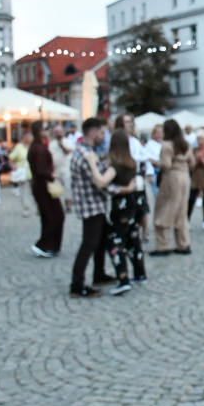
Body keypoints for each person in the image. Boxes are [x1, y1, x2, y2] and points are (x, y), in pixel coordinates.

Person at [69, 117, 134, 298]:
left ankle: (99, 274)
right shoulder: (86, 155)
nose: (104, 137)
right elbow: (100, 183)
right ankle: (77, 284)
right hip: (91, 206)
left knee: (101, 240)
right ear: (93, 132)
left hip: (94, 205)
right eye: (102, 133)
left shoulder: (86, 151)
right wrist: (124, 189)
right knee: (89, 244)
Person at [82, 129, 147, 295]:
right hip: (135, 206)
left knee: (115, 241)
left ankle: (123, 278)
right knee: (133, 239)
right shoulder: (132, 162)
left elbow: (101, 182)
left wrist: (91, 164)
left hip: (122, 208)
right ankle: (140, 273)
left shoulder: (116, 166)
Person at [152, 119, 194, 255]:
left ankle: (163, 245)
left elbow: (166, 165)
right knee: (181, 211)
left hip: (172, 178)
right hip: (185, 177)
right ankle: (184, 243)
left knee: (164, 208)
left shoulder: (166, 146)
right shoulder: (186, 144)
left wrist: (155, 163)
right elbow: (192, 163)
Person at [114, 113, 155, 241]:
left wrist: (149, 171)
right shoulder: (118, 141)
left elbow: (145, 156)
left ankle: (143, 232)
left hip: (136, 177)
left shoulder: (134, 141)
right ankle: (126, 232)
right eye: (127, 122)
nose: (130, 124)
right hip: (123, 177)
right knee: (125, 207)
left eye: (131, 121)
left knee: (141, 207)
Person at [27, 121, 65, 258]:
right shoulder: (39, 148)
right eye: (46, 128)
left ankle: (49, 245)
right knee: (55, 215)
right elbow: (41, 169)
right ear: (39, 131)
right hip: (44, 185)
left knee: (49, 216)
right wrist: (52, 175)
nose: (49, 130)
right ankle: (45, 244)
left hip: (40, 185)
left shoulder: (37, 146)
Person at [49, 124, 74, 214]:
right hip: (56, 169)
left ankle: (68, 206)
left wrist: (61, 145)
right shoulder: (51, 144)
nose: (58, 134)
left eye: (59, 132)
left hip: (66, 168)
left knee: (68, 188)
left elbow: (68, 151)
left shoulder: (68, 142)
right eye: (56, 132)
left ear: (62, 132)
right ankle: (58, 206)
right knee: (56, 188)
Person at [9, 126, 33, 217]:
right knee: (24, 191)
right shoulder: (19, 147)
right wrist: (14, 167)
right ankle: (26, 208)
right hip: (24, 173)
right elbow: (11, 158)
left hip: (34, 172)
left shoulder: (34, 146)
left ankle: (38, 207)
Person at [144, 123, 164, 199]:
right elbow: (148, 160)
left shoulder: (164, 144)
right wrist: (150, 174)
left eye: (160, 133)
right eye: (156, 133)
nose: (158, 135)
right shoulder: (150, 144)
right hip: (155, 172)